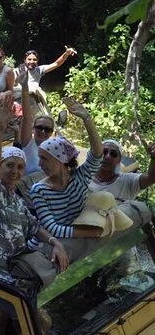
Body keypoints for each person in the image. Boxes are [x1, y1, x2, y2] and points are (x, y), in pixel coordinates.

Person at [0, 94, 68, 335]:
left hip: (15, 269)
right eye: (10, 165)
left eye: (20, 167)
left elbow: (33, 225)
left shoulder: (16, 199)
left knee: (5, 318)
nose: (14, 171)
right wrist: (0, 127)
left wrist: (55, 242)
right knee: (28, 320)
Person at [31, 97, 104, 240]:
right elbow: (53, 229)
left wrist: (87, 119)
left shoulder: (80, 177)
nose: (39, 164)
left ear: (61, 160)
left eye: (44, 159)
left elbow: (97, 154)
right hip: (50, 246)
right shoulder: (39, 190)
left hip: (75, 243)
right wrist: (94, 233)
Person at [17, 67, 55, 175]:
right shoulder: (28, 144)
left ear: (51, 132)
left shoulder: (55, 150)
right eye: (39, 127)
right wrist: (25, 86)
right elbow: (26, 118)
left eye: (47, 129)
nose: (43, 131)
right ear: (33, 129)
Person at [89, 140, 155, 201]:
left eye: (113, 154)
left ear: (119, 160)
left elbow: (151, 178)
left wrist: (154, 157)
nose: (107, 156)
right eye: (104, 152)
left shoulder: (128, 181)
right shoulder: (85, 178)